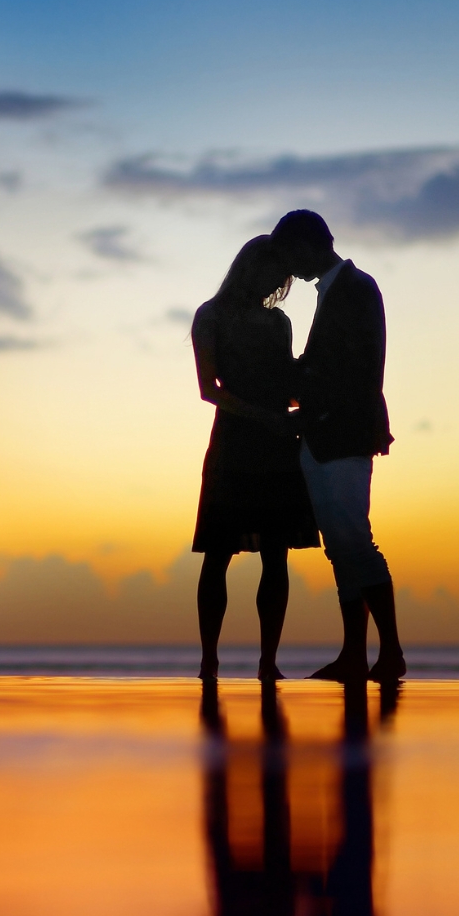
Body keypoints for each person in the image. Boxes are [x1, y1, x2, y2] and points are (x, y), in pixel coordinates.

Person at [269, 209, 407, 683]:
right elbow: (328, 365)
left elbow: (356, 369)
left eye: (289, 254)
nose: (288, 266)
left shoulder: (354, 288)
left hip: (342, 433)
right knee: (341, 546)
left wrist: (306, 402)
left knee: (354, 540)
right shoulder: (339, 290)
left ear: (306, 246)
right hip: (330, 432)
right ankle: (356, 653)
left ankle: (387, 652)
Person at [190, 235, 319, 680]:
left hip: (278, 443)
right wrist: (267, 415)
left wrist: (313, 384)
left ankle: (268, 662)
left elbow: (286, 384)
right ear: (251, 268)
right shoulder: (211, 317)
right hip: (236, 443)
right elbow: (210, 389)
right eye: (274, 271)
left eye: (282, 274)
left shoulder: (279, 323)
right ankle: (209, 661)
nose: (280, 281)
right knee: (218, 553)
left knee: (276, 555)